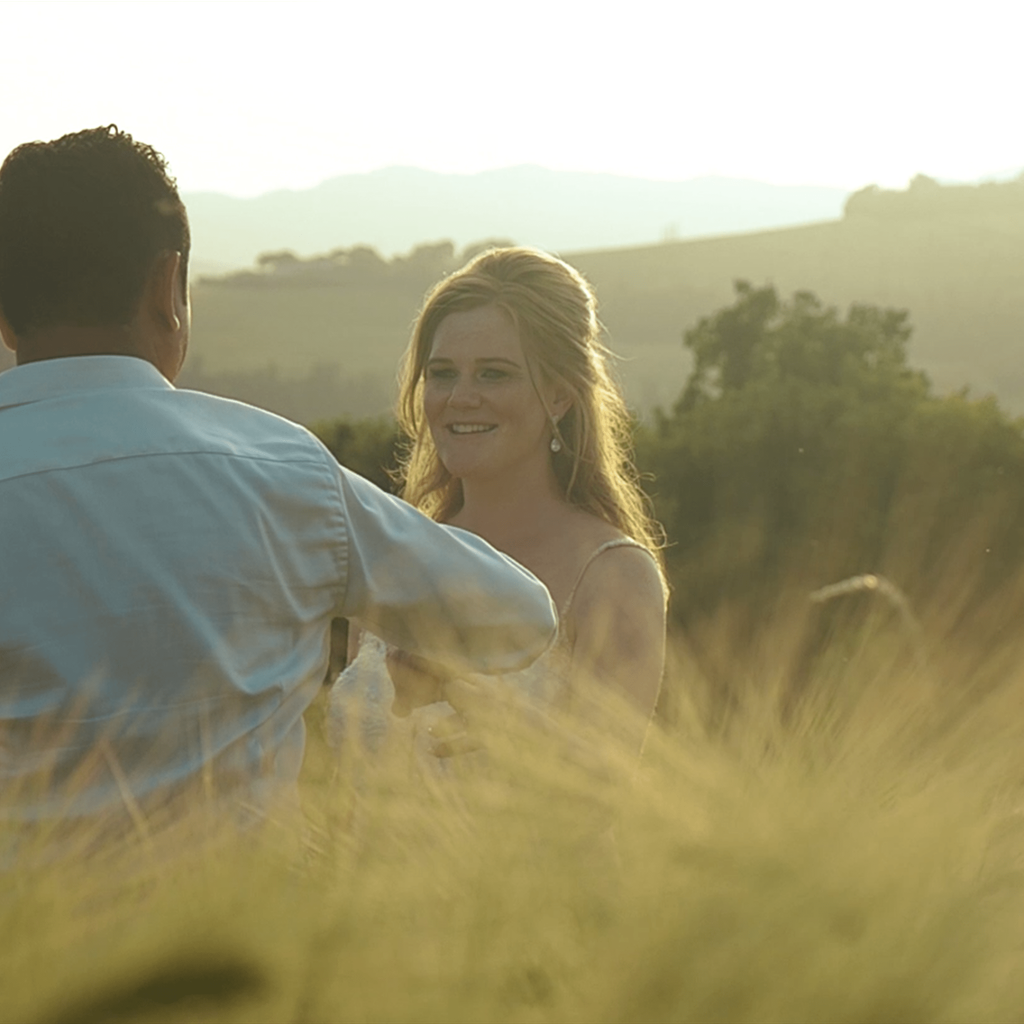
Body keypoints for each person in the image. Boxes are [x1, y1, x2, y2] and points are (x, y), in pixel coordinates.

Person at [0, 127, 558, 833]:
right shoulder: (280, 470)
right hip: (238, 935)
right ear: (166, 287)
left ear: (4, 309)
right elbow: (520, 617)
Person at [330, 247, 667, 761]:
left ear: (559, 395)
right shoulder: (391, 557)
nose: (461, 397)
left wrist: (468, 699)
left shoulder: (612, 575)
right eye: (442, 373)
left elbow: (601, 795)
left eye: (493, 374)